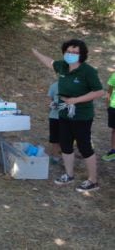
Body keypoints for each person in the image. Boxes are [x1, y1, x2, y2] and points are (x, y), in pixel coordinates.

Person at [31, 39, 105, 192]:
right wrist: (36, 53)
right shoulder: (63, 67)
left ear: (81, 55)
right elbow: (50, 62)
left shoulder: (88, 71)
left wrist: (76, 100)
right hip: (63, 113)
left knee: (84, 147)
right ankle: (69, 175)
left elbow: (99, 92)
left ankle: (93, 180)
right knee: (65, 144)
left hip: (81, 116)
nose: (71, 54)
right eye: (69, 51)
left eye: (75, 52)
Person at [47, 80, 62, 164]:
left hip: (69, 118)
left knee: (66, 138)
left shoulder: (73, 86)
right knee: (54, 139)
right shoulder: (54, 85)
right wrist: (52, 104)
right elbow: (49, 99)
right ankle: (55, 156)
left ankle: (63, 155)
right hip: (55, 116)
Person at [102, 72, 115, 162]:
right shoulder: (114, 75)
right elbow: (109, 91)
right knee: (114, 130)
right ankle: (113, 151)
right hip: (114, 107)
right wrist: (107, 104)